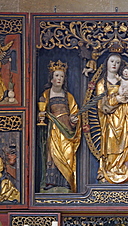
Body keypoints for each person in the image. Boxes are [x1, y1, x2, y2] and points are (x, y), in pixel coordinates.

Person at [38, 60, 81, 192]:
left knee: (67, 155)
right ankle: (52, 183)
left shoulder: (68, 96)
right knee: (52, 155)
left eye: (62, 76)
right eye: (57, 76)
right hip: (53, 129)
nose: (59, 79)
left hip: (66, 129)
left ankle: (65, 182)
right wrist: (41, 116)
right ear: (51, 78)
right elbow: (42, 112)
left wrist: (74, 120)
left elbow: (74, 113)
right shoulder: (46, 94)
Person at [96, 53, 128, 184]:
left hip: (126, 117)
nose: (114, 64)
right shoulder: (102, 84)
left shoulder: (124, 80)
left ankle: (124, 170)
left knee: (126, 143)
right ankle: (109, 171)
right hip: (110, 120)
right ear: (106, 63)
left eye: (117, 62)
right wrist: (116, 100)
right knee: (111, 145)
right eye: (112, 61)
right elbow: (101, 105)